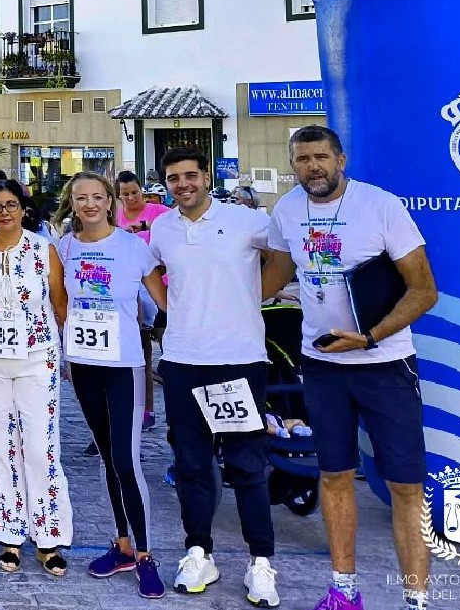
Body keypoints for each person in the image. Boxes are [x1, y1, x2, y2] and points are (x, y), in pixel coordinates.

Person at [261, 126, 437, 610]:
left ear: (341, 159)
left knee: (405, 484)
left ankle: (416, 598)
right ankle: (343, 591)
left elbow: (424, 290)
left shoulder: (380, 205)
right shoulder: (287, 210)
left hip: (384, 363)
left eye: (321, 157)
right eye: (302, 160)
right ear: (293, 165)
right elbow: (275, 273)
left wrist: (371, 337)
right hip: (320, 367)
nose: (312, 167)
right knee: (334, 476)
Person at [147, 147, 281, 606]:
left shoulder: (246, 221)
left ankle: (260, 562)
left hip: (240, 360)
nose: (182, 184)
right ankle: (198, 551)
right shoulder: (162, 227)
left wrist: (252, 298)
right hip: (183, 362)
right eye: (173, 178)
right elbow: (150, 270)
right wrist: (169, 309)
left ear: (207, 177)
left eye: (190, 175)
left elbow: (282, 258)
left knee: (247, 466)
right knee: (192, 465)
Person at [50, 172, 168, 598]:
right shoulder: (63, 247)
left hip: (123, 367)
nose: (89, 204)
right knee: (106, 456)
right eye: (80, 198)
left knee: (125, 458)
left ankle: (145, 554)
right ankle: (121, 544)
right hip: (83, 365)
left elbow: (165, 302)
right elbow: (58, 303)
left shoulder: (133, 247)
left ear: (110, 200)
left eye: (97, 197)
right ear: (73, 203)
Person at [0, 178, 73, 574]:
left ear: (24, 208)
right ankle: (8, 534)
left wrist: (66, 355)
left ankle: (49, 534)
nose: (4, 211)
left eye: (11, 204)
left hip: (37, 358)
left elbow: (60, 306)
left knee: (40, 446)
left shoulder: (44, 250)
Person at [116, 169, 170, 432]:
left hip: (161, 286)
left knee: (164, 349)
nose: (131, 198)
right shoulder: (115, 216)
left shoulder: (158, 214)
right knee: (138, 352)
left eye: (134, 193)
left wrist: (144, 228)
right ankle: (138, 408)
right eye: (125, 194)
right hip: (130, 292)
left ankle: (159, 407)